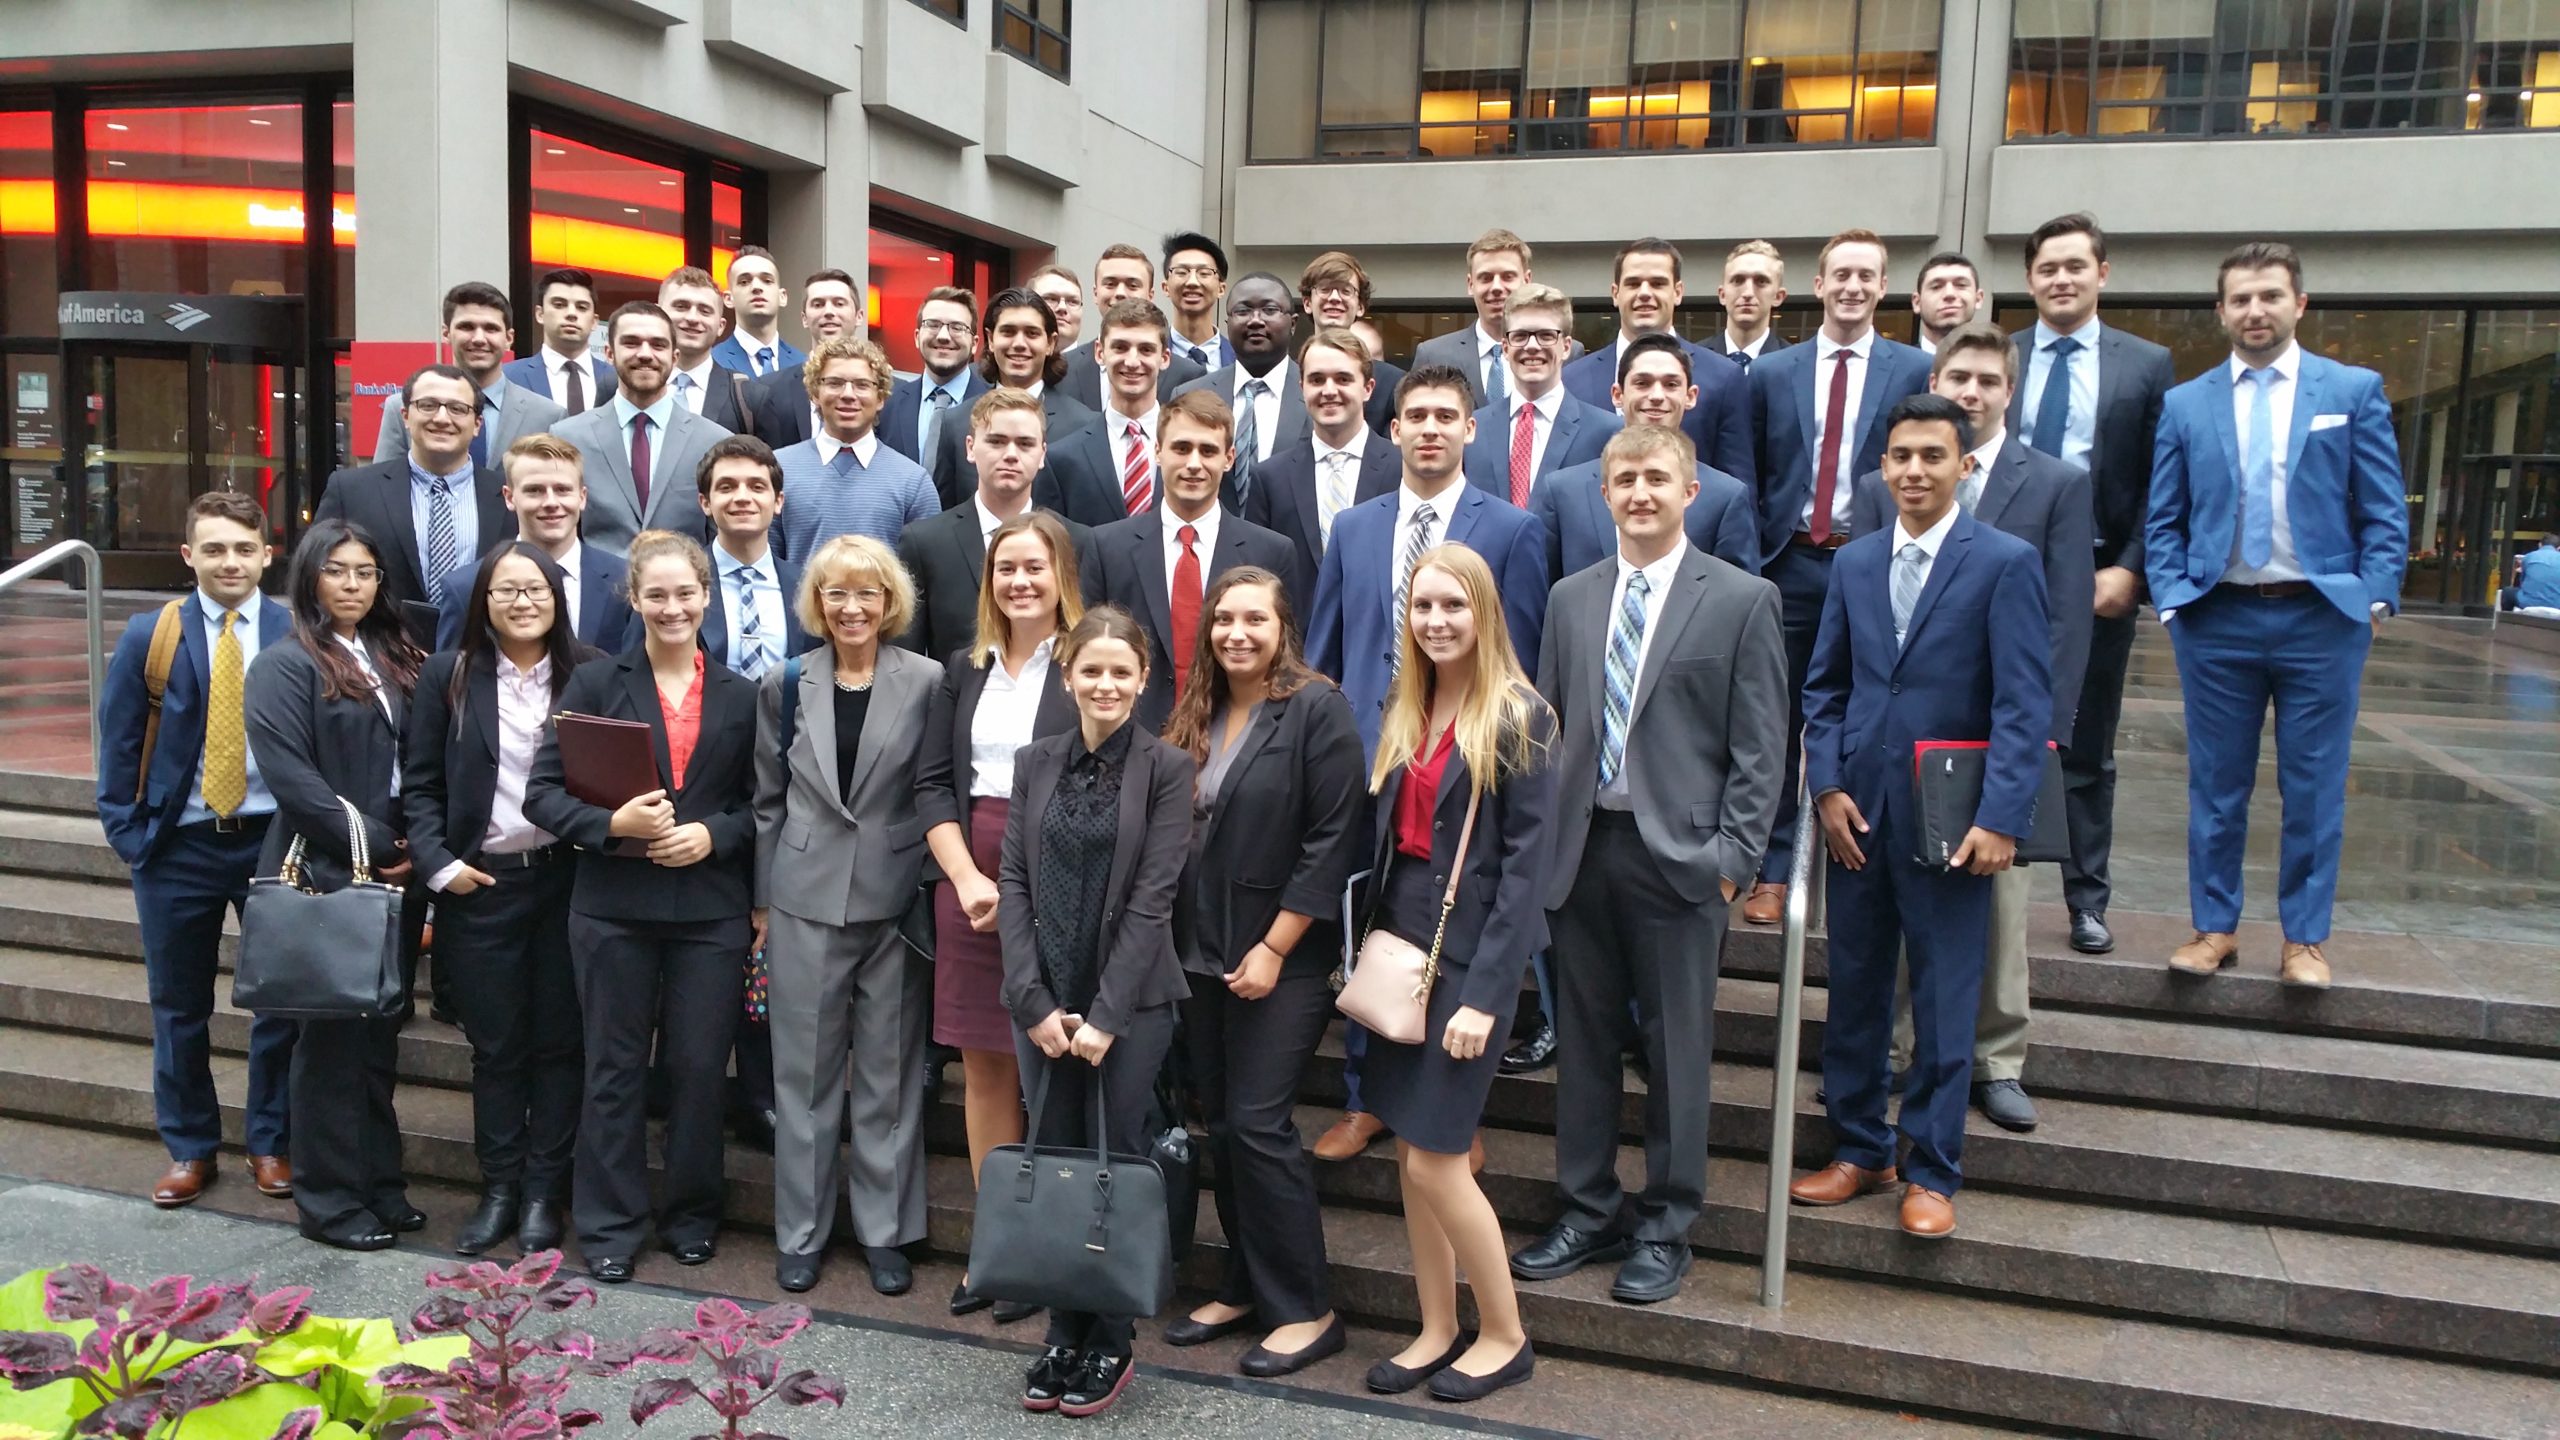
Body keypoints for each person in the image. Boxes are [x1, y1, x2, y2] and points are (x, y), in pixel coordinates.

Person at [1510, 423, 1786, 1306]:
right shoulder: (1570, 598)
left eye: (1656, 478)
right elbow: (1548, 730)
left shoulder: (1741, 599)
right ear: (1603, 492)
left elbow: (1762, 744)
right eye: (1623, 478)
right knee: (1585, 1043)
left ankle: (1667, 1225)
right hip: (1583, 853)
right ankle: (1588, 1209)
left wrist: (1735, 859)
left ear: (1689, 490)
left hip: (1683, 861)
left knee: (1676, 1051)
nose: (1639, 493)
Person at [1789, 395, 2051, 1241]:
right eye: (1900, 456)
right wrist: (1826, 787)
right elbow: (1826, 686)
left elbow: (2022, 701)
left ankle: (1932, 1169)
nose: (1913, 471)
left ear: (1963, 467)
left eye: (1932, 457)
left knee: (1944, 1001)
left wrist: (2003, 816)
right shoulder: (1857, 561)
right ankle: (1860, 1148)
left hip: (1954, 820)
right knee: (1856, 990)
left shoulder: (2004, 562)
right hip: (1859, 813)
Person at [1851, 322, 2095, 1134]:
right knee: (1876, 954)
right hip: (1882, 779)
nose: (1972, 389)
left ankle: (1989, 1068)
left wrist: (2012, 795)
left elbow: (2054, 638)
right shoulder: (1872, 518)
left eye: (1988, 379)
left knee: (1979, 949)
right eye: (1959, 374)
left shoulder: (2047, 489)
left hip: (1986, 768)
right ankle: (1881, 1075)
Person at [2147, 240, 2408, 990]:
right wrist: (2172, 600)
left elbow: (2384, 509)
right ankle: (2215, 928)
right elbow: (2164, 514)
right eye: (2240, 298)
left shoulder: (2351, 391)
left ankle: (2304, 941)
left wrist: (2375, 596)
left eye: (2270, 296)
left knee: (2315, 784)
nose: (2255, 310)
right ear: (2221, 310)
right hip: (2216, 618)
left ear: (2300, 303)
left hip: (2321, 617)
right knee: (2217, 786)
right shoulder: (2186, 402)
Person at [524, 530, 759, 1284]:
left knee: (695, 1070)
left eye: (684, 592)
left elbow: (764, 806)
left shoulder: (742, 695)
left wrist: (714, 836)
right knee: (615, 1069)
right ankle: (610, 1224)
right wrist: (609, 826)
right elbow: (543, 794)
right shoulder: (594, 686)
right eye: (655, 594)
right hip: (614, 907)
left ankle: (691, 1215)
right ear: (633, 598)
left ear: (706, 595)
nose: (671, 606)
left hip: (709, 912)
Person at [1356, 544, 1555, 1404]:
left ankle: (1504, 1334)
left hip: (1469, 963)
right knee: (1411, 1156)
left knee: (1440, 1160)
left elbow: (1524, 873)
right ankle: (1437, 1327)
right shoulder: (1412, 701)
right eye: (1423, 607)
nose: (1436, 622)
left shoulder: (1519, 714)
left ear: (1485, 612)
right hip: (1404, 951)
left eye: (1453, 607)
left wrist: (1487, 995)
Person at [1160, 569, 1363, 1375]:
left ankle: (1308, 1309)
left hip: (1284, 954)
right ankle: (1244, 1284)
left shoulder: (1317, 708)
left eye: (1254, 619)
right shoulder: (1197, 708)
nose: (1236, 633)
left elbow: (1334, 838)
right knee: (1223, 1127)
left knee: (1259, 1124)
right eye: (1224, 619)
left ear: (1284, 627)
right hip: (1199, 952)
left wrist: (1276, 946)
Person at [997, 605, 1196, 1419]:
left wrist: (1107, 1016)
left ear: (1143, 679)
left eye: (1122, 671)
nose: (1106, 684)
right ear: (1067, 673)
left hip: (1131, 1005)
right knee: (1056, 1167)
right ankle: (1060, 1329)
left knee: (1111, 1165)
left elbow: (1154, 900)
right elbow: (1011, 880)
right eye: (1091, 669)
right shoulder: (1034, 759)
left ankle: (1110, 1335)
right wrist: (1033, 1000)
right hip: (1044, 1001)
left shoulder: (1167, 768)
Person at [95, 491, 296, 1211]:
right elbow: (118, 741)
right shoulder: (154, 633)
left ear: (268, 554)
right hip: (177, 845)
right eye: (213, 549)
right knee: (179, 1006)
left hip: (273, 842)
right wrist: (127, 831)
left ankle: (272, 1140)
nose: (230, 561)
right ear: (189, 557)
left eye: (243, 548)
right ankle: (189, 1145)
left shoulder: (295, 631)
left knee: (279, 1001)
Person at [753, 536, 943, 1295]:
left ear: (889, 601)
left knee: (889, 1074)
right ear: (818, 603)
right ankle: (800, 1232)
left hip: (894, 899)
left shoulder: (928, 680)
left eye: (867, 593)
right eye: (837, 593)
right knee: (802, 1074)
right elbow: (767, 797)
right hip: (802, 896)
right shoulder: (786, 681)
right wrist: (761, 901)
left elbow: (937, 788)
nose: (852, 607)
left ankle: (886, 1231)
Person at [914, 511, 1083, 1326]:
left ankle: (1051, 1251)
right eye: (1006, 568)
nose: (1020, 581)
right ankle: (1000, 1248)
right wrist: (964, 876)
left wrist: (1028, 887)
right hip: (970, 877)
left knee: (1050, 1071)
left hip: (1062, 880)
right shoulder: (965, 667)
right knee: (985, 1066)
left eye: (1035, 568)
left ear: (1062, 579)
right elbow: (932, 784)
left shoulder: (1089, 662)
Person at [404, 542, 594, 1257]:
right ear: (483, 602)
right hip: (479, 884)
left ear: (557, 598)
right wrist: (439, 865)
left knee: (559, 1043)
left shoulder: (591, 674)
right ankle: (500, 1189)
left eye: (536, 589)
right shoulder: (447, 677)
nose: (523, 601)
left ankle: (546, 1193)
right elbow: (420, 785)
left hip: (566, 881)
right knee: (497, 1048)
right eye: (506, 590)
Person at [1741, 228, 1933, 928]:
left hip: (1874, 562)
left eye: (1866, 276)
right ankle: (1770, 867)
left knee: (1865, 715)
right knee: (1778, 718)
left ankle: (1858, 857)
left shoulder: (1913, 370)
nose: (1852, 286)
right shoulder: (1771, 373)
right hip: (1788, 562)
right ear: (1818, 285)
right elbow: (1755, 470)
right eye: (1840, 274)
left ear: (1883, 288)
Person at [244, 518, 427, 1251]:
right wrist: (378, 841)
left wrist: (418, 836)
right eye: (338, 571)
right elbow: (294, 780)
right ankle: (330, 1203)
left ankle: (380, 1186)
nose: (353, 584)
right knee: (329, 1052)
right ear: (311, 577)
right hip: (324, 871)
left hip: (395, 874)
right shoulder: (285, 665)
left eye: (366, 572)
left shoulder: (395, 653)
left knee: (379, 1037)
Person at [2008, 213, 2177, 957]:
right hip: (1998, 569)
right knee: (1989, 727)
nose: (2061, 279)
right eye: (2048, 268)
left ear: (2101, 273)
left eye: (2075, 266)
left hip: (2096, 572)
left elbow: (2157, 483)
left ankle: (2085, 898)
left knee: (2084, 744)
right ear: (2030, 278)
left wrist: (2131, 570)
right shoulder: (1998, 356)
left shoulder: (2145, 365)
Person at [1082, 392, 1298, 733]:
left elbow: (1284, 663)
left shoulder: (1271, 552)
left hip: (1235, 740)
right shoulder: (1107, 547)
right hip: (1133, 739)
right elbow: (1089, 652)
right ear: (1157, 452)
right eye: (1181, 448)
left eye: (1208, 451)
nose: (1194, 464)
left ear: (1229, 459)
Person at [1536, 335, 1757, 580]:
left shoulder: (1726, 496)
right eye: (1642, 383)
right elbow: (1545, 600)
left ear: (1691, 396)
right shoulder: (1563, 492)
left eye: (1671, 384)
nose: (1656, 395)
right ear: (1617, 394)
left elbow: (1739, 605)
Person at [898, 388, 1087, 662]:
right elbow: (907, 663)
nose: (1010, 454)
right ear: (970, 448)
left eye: (1025, 444)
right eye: (996, 442)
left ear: (1043, 454)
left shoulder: (1077, 542)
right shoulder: (924, 543)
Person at [317, 364, 511, 619]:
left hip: (481, 653)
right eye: (428, 405)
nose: (442, 418)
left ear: (477, 424)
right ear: (406, 416)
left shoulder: (510, 495)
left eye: (457, 409)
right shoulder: (351, 490)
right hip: (379, 650)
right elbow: (314, 572)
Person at [1560, 239, 1754, 485]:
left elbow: (1737, 482)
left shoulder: (1723, 377)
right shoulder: (1572, 380)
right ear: (1615, 294)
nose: (1644, 293)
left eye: (1657, 283)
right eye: (1633, 283)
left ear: (1678, 292)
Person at [556, 302, 734, 556]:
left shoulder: (714, 441)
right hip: (595, 592)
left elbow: (721, 539)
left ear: (674, 358)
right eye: (631, 343)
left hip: (682, 590)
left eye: (658, 345)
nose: (645, 354)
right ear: (609, 353)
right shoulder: (569, 437)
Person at [432, 434, 634, 654]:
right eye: (534, 490)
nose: (550, 502)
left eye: (562, 490)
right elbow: (451, 680)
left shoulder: (626, 580)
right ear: (509, 497)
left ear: (582, 497)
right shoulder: (466, 588)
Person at [1244, 328, 1402, 589]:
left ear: (1368, 388)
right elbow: (1257, 576)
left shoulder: (1402, 470)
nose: (1329, 390)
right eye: (1317, 380)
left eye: (1343, 379)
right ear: (1302, 387)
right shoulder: (1270, 478)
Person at [772, 336, 940, 556]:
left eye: (862, 385)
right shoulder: (778, 470)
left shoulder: (913, 482)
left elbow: (928, 573)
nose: (848, 395)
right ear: (814, 394)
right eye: (834, 383)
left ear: (880, 397)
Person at [926, 288, 1097, 503]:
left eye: (1032, 333)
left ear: (1050, 343)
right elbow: (947, 513)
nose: (1019, 343)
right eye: (1008, 332)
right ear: (990, 338)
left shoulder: (1083, 424)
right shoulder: (956, 422)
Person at [1462, 283, 1620, 507]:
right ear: (1505, 348)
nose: (1532, 346)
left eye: (1546, 336)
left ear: (1566, 347)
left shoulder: (1606, 432)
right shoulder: (1473, 429)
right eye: (1520, 336)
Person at [374, 282, 565, 465]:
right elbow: (384, 484)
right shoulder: (401, 407)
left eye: (491, 328)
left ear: (508, 339)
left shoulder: (547, 416)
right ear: (446, 333)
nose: (479, 339)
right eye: (467, 327)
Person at [1169, 272, 1305, 509]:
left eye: (1269, 310)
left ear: (1293, 323)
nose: (1255, 320)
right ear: (1227, 324)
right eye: (1242, 311)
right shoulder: (1190, 394)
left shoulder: (1316, 394)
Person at [1038, 300, 1173, 528]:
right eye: (1120, 347)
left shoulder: (1192, 448)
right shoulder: (1062, 457)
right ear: (1100, 353)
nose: (1132, 361)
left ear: (1165, 358)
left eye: (1146, 349)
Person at [1413, 229, 1583, 407]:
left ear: (1527, 280)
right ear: (1471, 284)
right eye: (1485, 278)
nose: (1496, 287)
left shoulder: (1567, 353)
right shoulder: (1433, 355)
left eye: (1507, 277)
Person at [698, 434, 811, 678]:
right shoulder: (682, 581)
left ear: (778, 501)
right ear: (705, 502)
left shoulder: (807, 585)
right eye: (726, 487)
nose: (742, 497)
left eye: (756, 487)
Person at [1061, 244, 1206, 409]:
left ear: (1150, 295)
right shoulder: (1062, 369)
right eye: (1110, 284)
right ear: (1095, 293)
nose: (1120, 293)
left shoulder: (1188, 375)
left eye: (1132, 285)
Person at [744, 268, 866, 446]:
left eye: (839, 303)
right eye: (818, 304)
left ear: (859, 316)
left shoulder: (889, 393)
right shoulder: (768, 389)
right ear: (804, 318)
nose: (829, 312)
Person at [877, 286, 989, 469]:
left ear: (975, 344)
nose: (943, 336)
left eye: (957, 327)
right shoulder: (887, 404)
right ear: (916, 337)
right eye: (933, 325)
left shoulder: (993, 405)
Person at [1296, 250, 1405, 435]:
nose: (1334, 298)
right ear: (1307, 303)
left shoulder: (1391, 384)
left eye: (1346, 291)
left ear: (1360, 306)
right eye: (1325, 289)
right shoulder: (1283, 379)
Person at [500, 268, 615, 412]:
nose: (571, 313)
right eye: (559, 305)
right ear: (540, 314)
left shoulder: (616, 380)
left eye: (582, 307)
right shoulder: (508, 377)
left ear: (594, 321)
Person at [660, 266, 754, 433]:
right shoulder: (620, 387)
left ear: (721, 326)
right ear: (658, 314)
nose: (692, 318)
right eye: (681, 306)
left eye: (705, 311)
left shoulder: (749, 396)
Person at [710, 245, 804, 379]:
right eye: (744, 282)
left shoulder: (804, 365)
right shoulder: (712, 363)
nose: (756, 287)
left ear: (782, 297)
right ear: (728, 299)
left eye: (767, 281)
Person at [1708, 241, 1788, 371]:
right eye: (1738, 280)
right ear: (1722, 295)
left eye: (1761, 281)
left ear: (1778, 296)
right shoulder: (1692, 361)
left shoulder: (1795, 365)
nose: (1748, 293)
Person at [1160, 231, 1233, 371]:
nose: (1192, 282)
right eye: (1181, 272)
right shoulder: (1150, 355)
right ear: (1165, 287)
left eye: (1204, 273)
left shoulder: (1241, 360)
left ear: (1221, 289)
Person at [1911, 252, 1985, 353]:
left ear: (1978, 299)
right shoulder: (1898, 366)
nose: (1949, 294)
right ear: (1917, 302)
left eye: (1961, 285)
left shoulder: (1998, 367)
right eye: (1936, 287)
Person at [2515, 533, 2560, 616]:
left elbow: (2522, 582)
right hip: (2557, 605)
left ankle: (2506, 622)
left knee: (2507, 593)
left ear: (2540, 545)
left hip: (2528, 603)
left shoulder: (2529, 557)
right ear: (2558, 548)